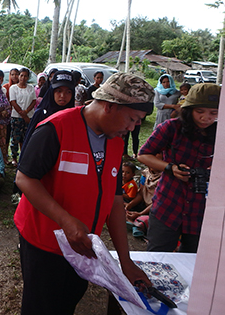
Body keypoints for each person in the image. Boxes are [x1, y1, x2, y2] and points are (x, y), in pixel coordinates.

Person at [14, 72, 154, 314]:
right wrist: (65, 220)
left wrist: (126, 260)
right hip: (45, 245)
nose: (132, 128)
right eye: (132, 119)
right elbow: (24, 178)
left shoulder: (115, 140)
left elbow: (114, 199)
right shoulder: (56, 128)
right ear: (109, 106)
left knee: (68, 301)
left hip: (83, 246)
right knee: (41, 306)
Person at [138, 83, 220, 253]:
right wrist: (170, 168)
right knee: (158, 257)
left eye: (214, 113)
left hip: (202, 211)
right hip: (168, 205)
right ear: (189, 109)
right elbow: (144, 154)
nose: (206, 118)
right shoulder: (172, 128)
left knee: (194, 263)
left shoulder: (222, 133)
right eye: (200, 112)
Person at [22, 70, 76, 153]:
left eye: (68, 92)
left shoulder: (74, 117)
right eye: (59, 91)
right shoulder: (41, 114)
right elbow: (29, 145)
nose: (63, 96)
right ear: (52, 91)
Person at [9, 68, 36, 166]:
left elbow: (33, 101)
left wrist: (26, 112)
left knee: (27, 137)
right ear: (18, 76)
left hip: (29, 116)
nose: (23, 78)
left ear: (28, 77)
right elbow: (13, 102)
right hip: (16, 117)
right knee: (15, 138)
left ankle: (24, 157)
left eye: (25, 76)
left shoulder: (31, 88)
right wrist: (22, 114)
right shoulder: (13, 88)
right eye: (21, 75)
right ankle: (14, 158)